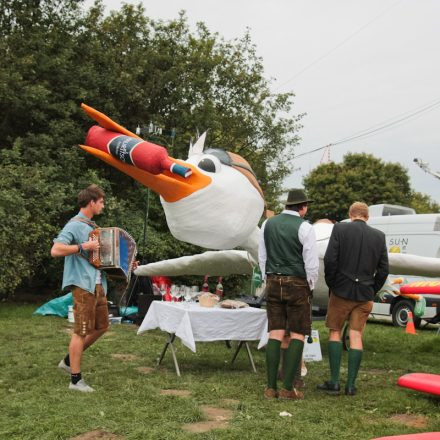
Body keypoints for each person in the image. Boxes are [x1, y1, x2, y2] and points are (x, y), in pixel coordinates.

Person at [318, 202, 389, 396]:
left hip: (341, 290)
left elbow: (330, 260)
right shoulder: (379, 236)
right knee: (356, 334)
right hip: (365, 293)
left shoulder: (339, 228)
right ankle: (351, 385)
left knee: (335, 332)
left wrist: (333, 284)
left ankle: (334, 382)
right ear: (367, 216)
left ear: (351, 214)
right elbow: (384, 269)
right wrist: (372, 288)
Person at [258, 188, 319, 400]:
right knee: (297, 334)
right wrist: (311, 285)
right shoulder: (305, 227)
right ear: (302, 207)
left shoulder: (267, 224)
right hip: (297, 283)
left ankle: (270, 387)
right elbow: (311, 263)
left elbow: (262, 257)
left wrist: (268, 280)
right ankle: (287, 388)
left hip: (273, 280)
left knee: (274, 333)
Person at [51, 184, 108, 392]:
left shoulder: (91, 226)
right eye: (101, 202)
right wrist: (83, 247)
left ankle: (67, 361)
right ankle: (75, 380)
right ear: (91, 202)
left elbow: (100, 258)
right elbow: (56, 250)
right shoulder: (74, 225)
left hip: (98, 283)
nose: (103, 206)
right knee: (81, 331)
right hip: (83, 285)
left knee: (102, 327)